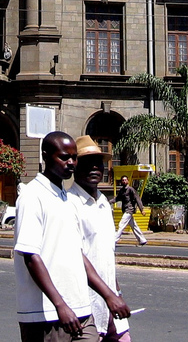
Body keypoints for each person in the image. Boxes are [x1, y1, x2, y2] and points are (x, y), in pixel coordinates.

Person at [14, 131, 127, 342]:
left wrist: (109, 295)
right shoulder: (32, 195)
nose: (71, 163)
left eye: (74, 157)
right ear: (46, 156)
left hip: (82, 311)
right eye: (64, 157)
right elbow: (30, 256)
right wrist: (60, 305)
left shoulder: (65, 198)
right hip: (46, 315)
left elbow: (78, 255)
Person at [69, 135, 133, 342]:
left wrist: (117, 291)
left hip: (112, 300)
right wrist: (108, 295)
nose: (95, 168)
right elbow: (76, 257)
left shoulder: (104, 203)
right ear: (75, 167)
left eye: (99, 164)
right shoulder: (70, 204)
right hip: (86, 302)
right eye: (88, 164)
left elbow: (106, 254)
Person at [111, 176, 147, 246]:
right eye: (123, 180)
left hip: (129, 210)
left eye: (125, 180)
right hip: (125, 210)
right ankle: (142, 240)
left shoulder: (131, 190)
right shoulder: (122, 190)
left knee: (121, 224)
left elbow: (137, 199)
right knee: (134, 226)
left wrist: (141, 209)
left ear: (128, 181)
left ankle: (114, 240)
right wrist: (109, 201)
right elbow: (117, 198)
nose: (124, 181)